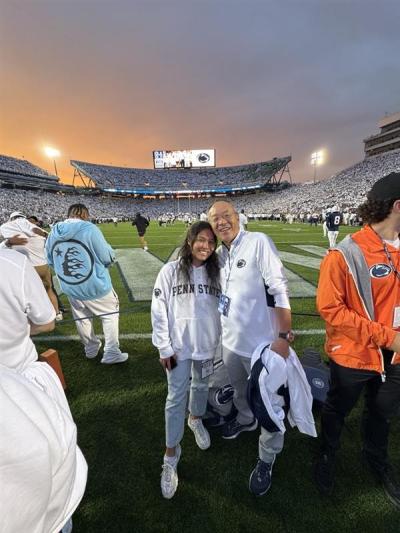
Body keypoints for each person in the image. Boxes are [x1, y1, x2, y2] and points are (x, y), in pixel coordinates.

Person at [314, 172, 400, 508]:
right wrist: (386, 338)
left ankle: (376, 459)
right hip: (354, 354)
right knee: (337, 409)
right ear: (397, 206)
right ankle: (326, 455)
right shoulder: (344, 254)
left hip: (393, 357)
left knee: (382, 413)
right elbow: (331, 310)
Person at [208, 200, 292, 496]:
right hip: (230, 343)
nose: (221, 222)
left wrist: (283, 335)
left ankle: (267, 457)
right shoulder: (219, 255)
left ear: (238, 217)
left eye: (226, 215)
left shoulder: (258, 242)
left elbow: (279, 288)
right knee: (241, 394)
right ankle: (245, 420)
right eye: (215, 218)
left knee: (269, 405)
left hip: (261, 347)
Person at [0, 247, 87, 533]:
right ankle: (60, 518)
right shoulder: (12, 263)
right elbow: (47, 321)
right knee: (52, 455)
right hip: (23, 380)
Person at [151, 221, 221, 499]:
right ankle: (171, 454)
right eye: (201, 240)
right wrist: (163, 348)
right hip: (178, 349)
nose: (205, 246)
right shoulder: (170, 271)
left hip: (207, 346)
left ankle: (195, 419)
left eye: (211, 242)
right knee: (174, 397)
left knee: (201, 387)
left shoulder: (219, 272)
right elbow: (158, 310)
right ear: (191, 241)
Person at [46, 203, 128, 365]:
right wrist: (111, 253)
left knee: (82, 318)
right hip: (95, 285)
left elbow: (50, 260)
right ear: (84, 214)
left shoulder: (53, 232)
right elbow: (106, 257)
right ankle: (111, 352)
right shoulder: (89, 229)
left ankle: (90, 349)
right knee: (109, 316)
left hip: (71, 286)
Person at [0, 211, 62, 320]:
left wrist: (8, 243)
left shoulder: (14, 235)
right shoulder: (38, 232)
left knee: (28, 295)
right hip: (43, 266)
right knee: (49, 290)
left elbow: (2, 249)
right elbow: (50, 240)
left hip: (27, 268)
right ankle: (57, 314)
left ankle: (36, 317)